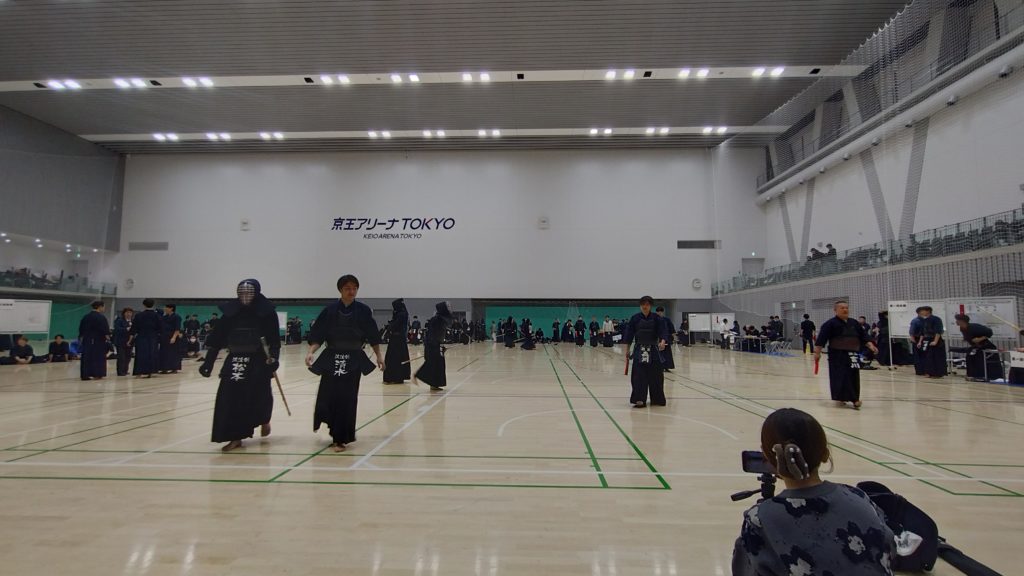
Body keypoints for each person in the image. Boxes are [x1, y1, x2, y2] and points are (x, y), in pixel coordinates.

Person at [732, 408, 894, 576]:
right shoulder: (859, 497)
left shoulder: (760, 519)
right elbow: (889, 545)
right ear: (825, 453)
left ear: (768, 458)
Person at [199, 279, 280, 452]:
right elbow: (217, 339)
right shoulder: (231, 312)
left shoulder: (267, 312)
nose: (245, 296)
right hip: (235, 359)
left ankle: (264, 420)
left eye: (249, 292)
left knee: (260, 396)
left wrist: (274, 359)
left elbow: (274, 341)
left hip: (258, 361)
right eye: (242, 292)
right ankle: (235, 436)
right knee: (230, 398)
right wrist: (208, 362)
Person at [306, 275, 385, 452]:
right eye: (348, 288)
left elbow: (372, 335)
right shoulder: (330, 311)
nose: (351, 291)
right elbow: (318, 334)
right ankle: (331, 427)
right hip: (332, 358)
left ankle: (340, 438)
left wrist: (379, 356)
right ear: (340, 290)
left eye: (354, 288)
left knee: (347, 399)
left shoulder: (363, 311)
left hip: (353, 360)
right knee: (327, 396)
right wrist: (311, 352)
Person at [815, 301, 877, 410]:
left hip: (853, 353)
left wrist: (871, 345)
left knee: (853, 375)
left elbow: (863, 336)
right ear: (835, 310)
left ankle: (855, 399)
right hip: (837, 355)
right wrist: (817, 353)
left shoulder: (854, 323)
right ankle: (842, 397)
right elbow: (821, 339)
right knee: (840, 376)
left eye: (846, 308)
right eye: (842, 308)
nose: (845, 310)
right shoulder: (830, 324)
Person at [621, 296, 669, 408]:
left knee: (656, 376)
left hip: (654, 350)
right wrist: (627, 350)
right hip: (639, 350)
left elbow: (663, 331)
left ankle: (657, 399)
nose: (645, 306)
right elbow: (629, 334)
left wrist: (662, 341)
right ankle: (639, 399)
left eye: (647, 304)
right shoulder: (635, 318)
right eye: (643, 304)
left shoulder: (657, 318)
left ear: (650, 306)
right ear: (640, 306)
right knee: (639, 376)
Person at [416, 302, 454, 390]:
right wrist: (435, 346)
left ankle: (435, 384)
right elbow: (432, 334)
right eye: (448, 306)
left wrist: (441, 345)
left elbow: (441, 334)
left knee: (439, 364)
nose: (449, 308)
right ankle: (418, 375)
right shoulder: (436, 319)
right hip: (432, 345)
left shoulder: (442, 319)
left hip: (437, 345)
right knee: (433, 364)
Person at [954, 314, 1003, 382]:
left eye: (957, 320)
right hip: (976, 346)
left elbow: (990, 332)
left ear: (962, 321)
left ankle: (984, 376)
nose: (956, 322)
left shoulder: (974, 327)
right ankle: (973, 375)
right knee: (969, 356)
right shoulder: (962, 328)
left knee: (979, 358)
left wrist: (980, 338)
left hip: (986, 346)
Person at [79, 300, 111, 380]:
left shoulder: (86, 317)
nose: (104, 308)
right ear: (100, 307)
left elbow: (81, 329)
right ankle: (97, 373)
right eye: (103, 307)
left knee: (86, 357)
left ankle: (85, 374)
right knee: (98, 357)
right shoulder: (101, 317)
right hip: (98, 341)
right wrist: (108, 338)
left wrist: (81, 339)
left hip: (87, 340)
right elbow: (105, 330)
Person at [130, 299, 162, 378]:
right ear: (153, 305)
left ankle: (139, 372)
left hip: (141, 337)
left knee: (140, 354)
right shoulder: (157, 316)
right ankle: (150, 372)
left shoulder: (139, 315)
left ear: (144, 305)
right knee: (151, 354)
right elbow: (160, 328)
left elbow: (134, 328)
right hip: (153, 337)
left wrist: (130, 338)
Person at [382, 299, 411, 384]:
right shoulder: (402, 313)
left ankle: (393, 377)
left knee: (393, 359)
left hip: (397, 339)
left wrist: (389, 327)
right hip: (399, 339)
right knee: (399, 358)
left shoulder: (401, 314)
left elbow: (395, 325)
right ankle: (398, 377)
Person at [918, 306, 946, 378]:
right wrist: (920, 342)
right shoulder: (923, 320)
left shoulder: (936, 319)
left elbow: (938, 331)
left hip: (935, 339)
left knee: (935, 357)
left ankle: (937, 373)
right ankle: (928, 372)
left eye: (922, 311)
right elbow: (922, 333)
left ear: (928, 311)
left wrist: (935, 341)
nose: (921, 312)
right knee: (927, 357)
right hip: (926, 340)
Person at [158, 304, 183, 374]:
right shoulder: (164, 317)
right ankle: (164, 368)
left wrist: (174, 337)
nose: (165, 309)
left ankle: (174, 368)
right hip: (164, 337)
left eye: (166, 308)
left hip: (172, 336)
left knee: (173, 353)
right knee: (164, 353)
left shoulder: (177, 317)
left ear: (171, 308)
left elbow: (177, 328)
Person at [112, 308, 134, 376]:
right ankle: (120, 371)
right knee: (121, 357)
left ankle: (125, 370)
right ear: (124, 313)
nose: (129, 314)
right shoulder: (119, 320)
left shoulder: (132, 321)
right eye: (127, 312)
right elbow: (117, 329)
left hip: (130, 341)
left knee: (128, 357)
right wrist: (126, 329)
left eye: (130, 313)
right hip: (121, 341)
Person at [656, 307, 676, 371]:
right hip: (657, 339)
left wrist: (673, 337)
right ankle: (660, 366)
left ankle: (667, 366)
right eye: (658, 312)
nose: (659, 313)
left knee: (667, 353)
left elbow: (671, 328)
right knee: (659, 353)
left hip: (666, 338)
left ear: (662, 312)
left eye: (660, 312)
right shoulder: (655, 319)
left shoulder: (667, 319)